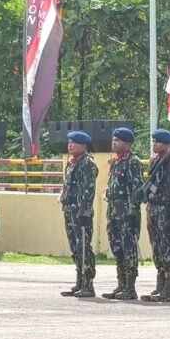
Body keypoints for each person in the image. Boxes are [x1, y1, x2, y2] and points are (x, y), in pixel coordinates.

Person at [137, 129, 170, 303]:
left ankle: (169, 289)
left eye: (158, 142)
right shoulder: (154, 161)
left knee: (167, 249)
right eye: (153, 141)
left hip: (165, 209)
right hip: (153, 208)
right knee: (156, 248)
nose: (154, 144)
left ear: (166, 144)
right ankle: (160, 284)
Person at [100, 127, 144, 300]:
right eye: (113, 140)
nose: (114, 143)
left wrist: (132, 210)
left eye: (118, 140)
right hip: (114, 211)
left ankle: (130, 287)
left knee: (129, 249)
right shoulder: (117, 161)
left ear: (127, 143)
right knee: (117, 248)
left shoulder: (133, 162)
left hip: (127, 212)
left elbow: (137, 188)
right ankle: (121, 283)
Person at [59, 131, 99, 298]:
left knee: (83, 247)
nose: (70, 145)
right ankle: (79, 282)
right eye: (69, 142)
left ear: (83, 145)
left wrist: (84, 210)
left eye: (74, 142)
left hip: (81, 212)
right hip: (70, 209)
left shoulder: (87, 163)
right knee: (75, 247)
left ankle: (88, 284)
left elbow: (89, 189)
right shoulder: (72, 163)